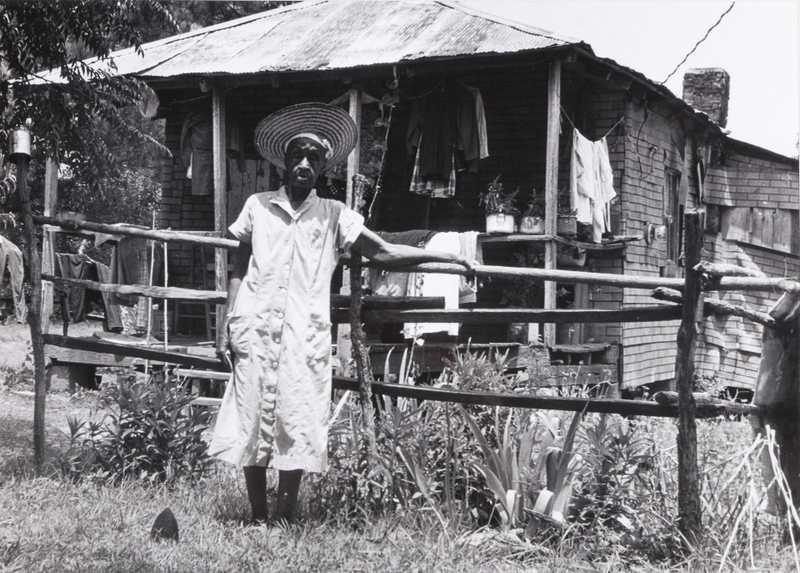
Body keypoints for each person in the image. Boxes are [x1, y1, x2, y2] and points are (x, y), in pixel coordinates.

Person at [208, 102, 474, 523]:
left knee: (296, 418)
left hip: (303, 334)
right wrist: (227, 322)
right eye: (297, 153)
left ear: (323, 168)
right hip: (254, 328)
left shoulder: (334, 215)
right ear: (284, 161)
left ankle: (284, 518)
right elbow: (238, 269)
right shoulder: (257, 206)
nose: (304, 162)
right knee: (252, 414)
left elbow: (384, 251)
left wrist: (450, 258)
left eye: (314, 157)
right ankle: (257, 516)